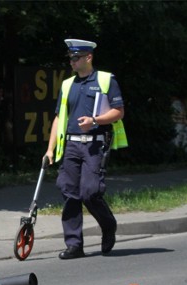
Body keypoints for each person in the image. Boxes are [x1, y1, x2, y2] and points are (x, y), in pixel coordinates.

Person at [44, 39, 124, 260]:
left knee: (90, 191)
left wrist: (95, 120)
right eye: (70, 58)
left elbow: (118, 112)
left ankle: (108, 226)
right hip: (71, 144)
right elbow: (59, 118)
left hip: (95, 143)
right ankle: (74, 245)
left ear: (88, 57)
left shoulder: (106, 80)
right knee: (69, 191)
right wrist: (50, 149)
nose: (72, 61)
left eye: (75, 57)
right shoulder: (68, 84)